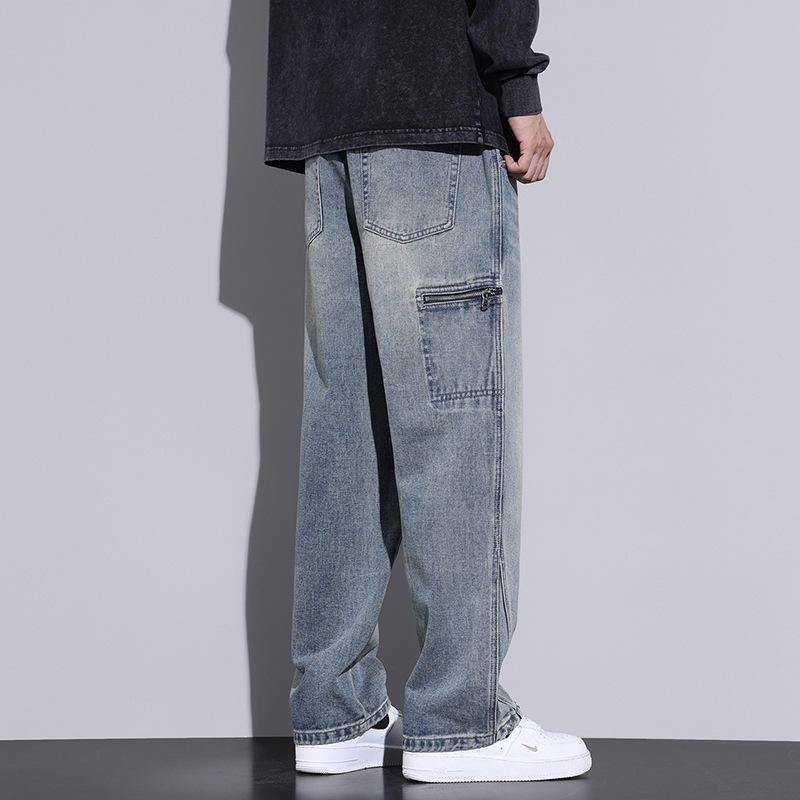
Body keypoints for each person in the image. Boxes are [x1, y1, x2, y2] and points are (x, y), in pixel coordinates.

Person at [263, 0, 591, 784]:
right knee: (457, 426)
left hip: (325, 120)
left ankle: (334, 711)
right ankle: (461, 719)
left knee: (348, 432)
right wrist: (516, 83)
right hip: (432, 104)